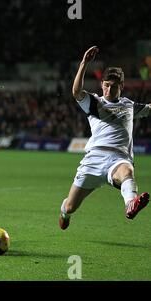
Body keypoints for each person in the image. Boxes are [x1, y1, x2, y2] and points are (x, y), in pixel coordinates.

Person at [59, 46, 150, 230]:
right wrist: (84, 63)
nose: (109, 89)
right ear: (102, 84)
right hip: (93, 159)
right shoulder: (95, 103)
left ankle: (130, 203)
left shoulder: (130, 106)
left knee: (127, 172)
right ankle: (64, 212)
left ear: (121, 87)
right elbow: (77, 92)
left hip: (118, 159)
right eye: (106, 85)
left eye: (114, 86)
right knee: (70, 206)